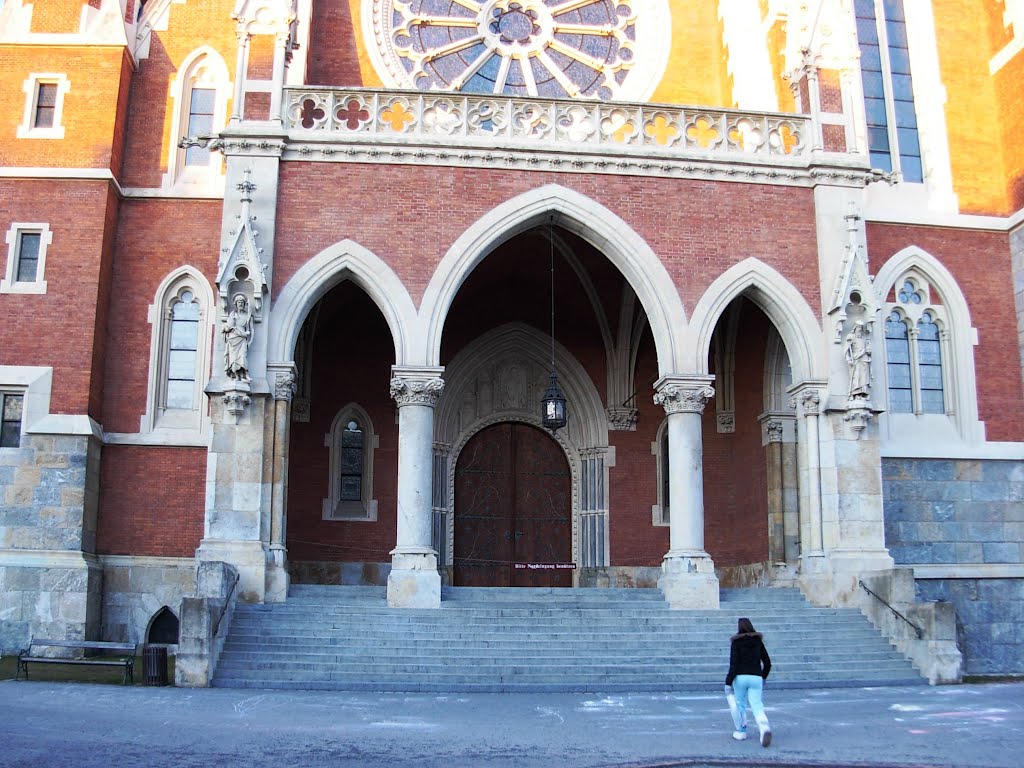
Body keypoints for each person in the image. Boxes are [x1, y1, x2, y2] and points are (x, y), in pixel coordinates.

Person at [724, 617, 772, 747]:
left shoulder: (736, 642)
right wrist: (763, 677)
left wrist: (728, 682)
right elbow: (767, 662)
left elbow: (733, 664)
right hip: (756, 677)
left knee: (740, 704)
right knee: (757, 705)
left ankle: (741, 731)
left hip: (740, 677)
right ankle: (764, 727)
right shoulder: (758, 642)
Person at [223, 293, 253, 382]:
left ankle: (246, 374)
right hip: (233, 339)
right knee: (233, 359)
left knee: (243, 356)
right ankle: (236, 376)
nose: (240, 304)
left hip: (242, 339)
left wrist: (250, 341)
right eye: (239, 302)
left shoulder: (248, 316)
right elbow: (229, 327)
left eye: (242, 302)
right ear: (236, 304)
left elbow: (251, 330)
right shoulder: (232, 314)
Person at [844, 320, 871, 400]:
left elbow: (868, 350)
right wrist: (848, 359)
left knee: (864, 378)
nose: (859, 332)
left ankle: (863, 393)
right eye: (858, 330)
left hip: (864, 360)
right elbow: (847, 349)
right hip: (856, 359)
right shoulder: (851, 338)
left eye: (861, 330)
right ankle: (855, 393)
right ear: (855, 330)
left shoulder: (864, 340)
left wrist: (868, 351)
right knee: (856, 376)